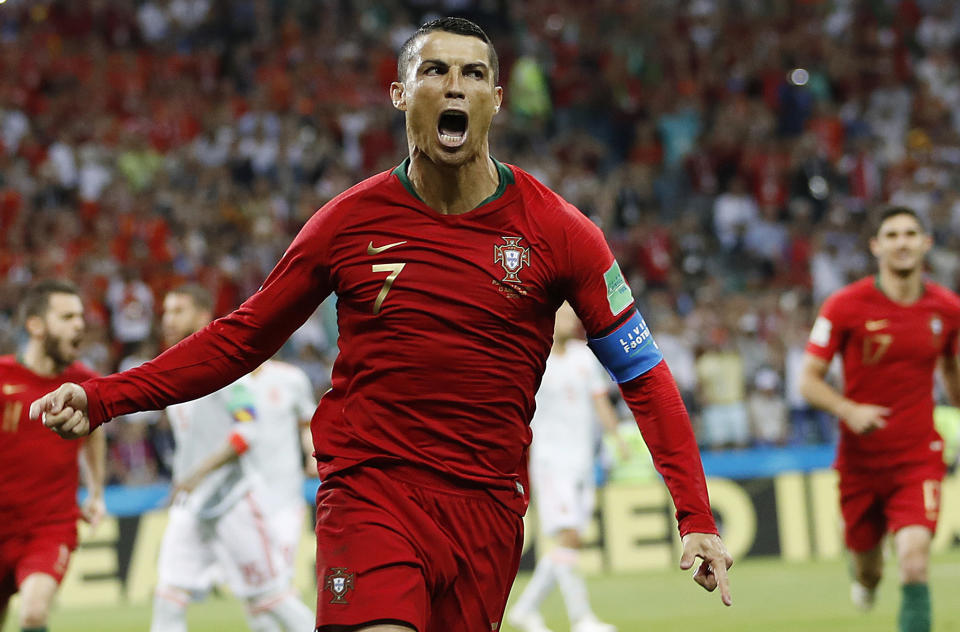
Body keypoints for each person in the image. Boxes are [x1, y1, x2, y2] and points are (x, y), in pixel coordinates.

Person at [31, 18, 732, 631]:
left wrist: (696, 515)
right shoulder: (348, 223)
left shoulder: (562, 233)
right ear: (401, 94)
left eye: (473, 74)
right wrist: (103, 398)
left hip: (486, 511)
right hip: (370, 492)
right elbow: (241, 339)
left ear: (495, 100)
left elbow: (643, 374)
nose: (454, 86)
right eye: (434, 71)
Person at [800, 206, 960, 632]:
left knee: (913, 561)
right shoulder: (844, 306)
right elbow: (808, 381)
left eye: (911, 233)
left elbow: (952, 374)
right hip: (861, 462)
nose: (902, 242)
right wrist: (848, 410)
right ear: (876, 246)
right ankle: (863, 570)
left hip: (919, 456)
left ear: (926, 243)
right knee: (870, 569)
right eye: (892, 235)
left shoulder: (947, 309)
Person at [150, 284, 314, 632]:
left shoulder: (227, 367)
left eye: (177, 311)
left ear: (201, 315)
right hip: (192, 505)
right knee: (167, 600)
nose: (168, 319)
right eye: (166, 311)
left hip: (233, 501)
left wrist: (196, 473)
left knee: (270, 600)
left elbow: (246, 432)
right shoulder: (171, 370)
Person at [507, 303, 627, 632]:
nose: (569, 319)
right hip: (549, 461)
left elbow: (599, 400)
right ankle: (582, 619)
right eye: (561, 312)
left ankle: (526, 609)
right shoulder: (534, 357)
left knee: (571, 542)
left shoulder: (583, 357)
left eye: (571, 313)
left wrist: (618, 438)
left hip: (583, 463)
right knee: (569, 535)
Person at [0, 279, 105, 632]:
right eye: (67, 316)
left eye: (80, 317)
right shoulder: (2, 378)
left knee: (33, 613)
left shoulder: (83, 383)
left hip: (49, 525)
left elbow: (94, 434)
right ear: (36, 325)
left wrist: (96, 492)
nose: (79, 324)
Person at [238, 358, 318, 579]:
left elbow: (306, 423)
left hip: (286, 489)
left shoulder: (291, 378)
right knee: (261, 577)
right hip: (245, 493)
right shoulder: (232, 383)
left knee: (281, 568)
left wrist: (313, 456)